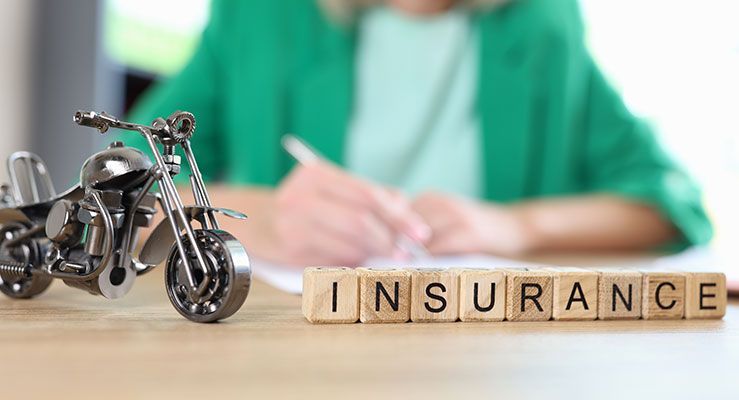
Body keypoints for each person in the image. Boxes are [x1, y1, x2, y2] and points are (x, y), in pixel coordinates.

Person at [128, 0, 712, 266]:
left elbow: (672, 205)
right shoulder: (258, 14)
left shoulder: (541, 23)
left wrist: (516, 226)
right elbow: (122, 177)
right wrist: (253, 217)